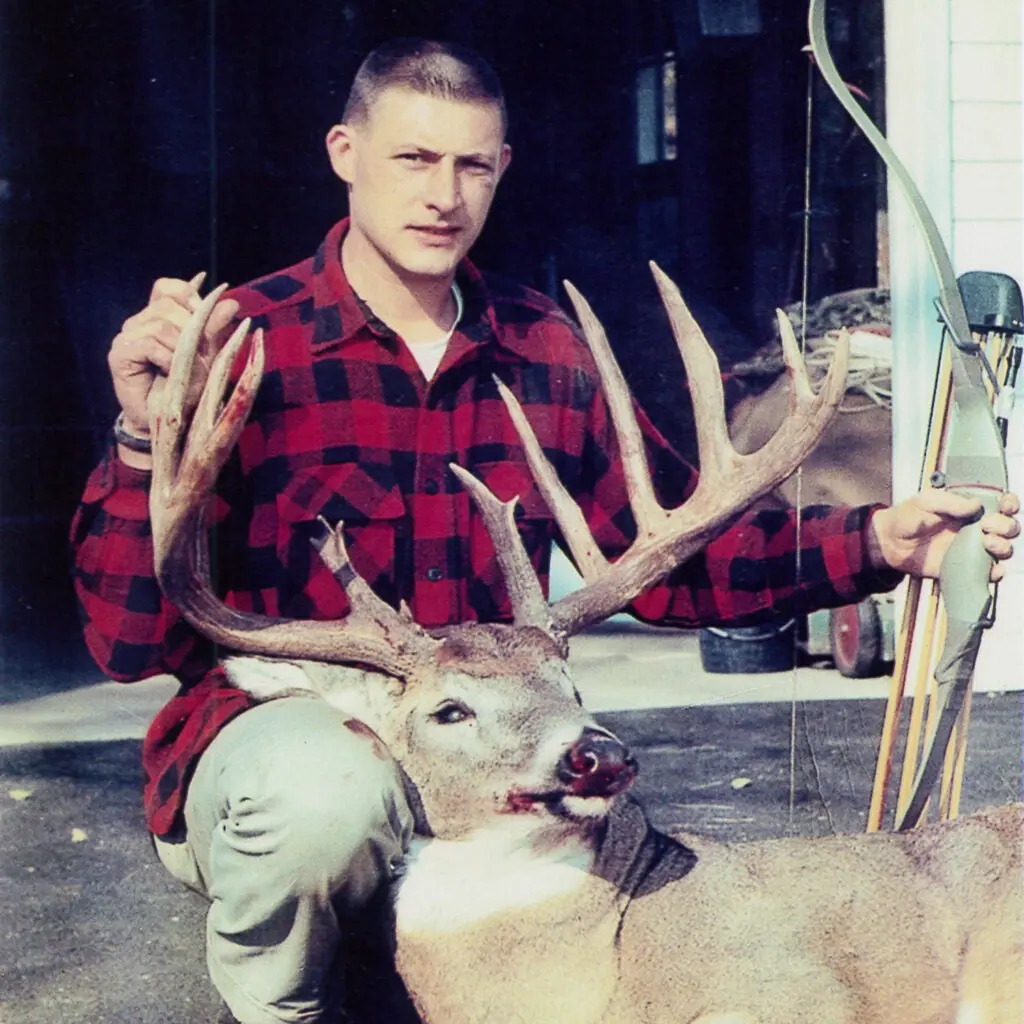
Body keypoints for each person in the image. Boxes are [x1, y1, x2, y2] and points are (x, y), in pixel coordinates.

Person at [70, 38, 1019, 1024]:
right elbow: (135, 641)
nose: (444, 194)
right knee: (327, 797)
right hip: (312, 740)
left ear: (502, 169)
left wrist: (877, 540)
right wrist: (144, 437)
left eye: (471, 164)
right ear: (345, 152)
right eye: (413, 159)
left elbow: (668, 564)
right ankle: (277, 1009)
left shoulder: (542, 348)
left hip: (492, 761)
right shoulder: (239, 344)